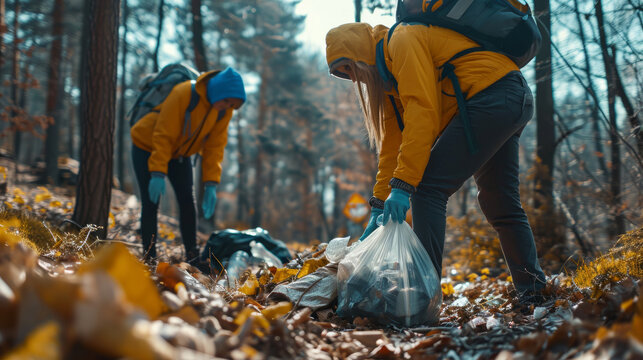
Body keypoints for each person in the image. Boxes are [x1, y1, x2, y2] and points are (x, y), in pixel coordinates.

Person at [326, 23, 546, 302]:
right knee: (500, 202)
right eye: (342, 74)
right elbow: (392, 147)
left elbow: (422, 110)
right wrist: (378, 206)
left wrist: (403, 186)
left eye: (349, 66)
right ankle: (534, 292)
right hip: (509, 97)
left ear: (360, 51)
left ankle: (423, 297)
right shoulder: (389, 83)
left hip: (493, 95)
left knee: (427, 188)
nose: (352, 76)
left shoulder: (402, 41)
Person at [130, 67, 246, 264]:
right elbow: (163, 134)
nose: (228, 107)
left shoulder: (222, 113)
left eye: (233, 105)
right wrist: (157, 172)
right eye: (227, 101)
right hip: (147, 145)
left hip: (180, 154)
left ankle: (192, 256)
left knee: (187, 202)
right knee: (151, 203)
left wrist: (211, 183)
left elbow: (214, 148)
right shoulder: (184, 93)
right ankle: (150, 258)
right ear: (218, 90)